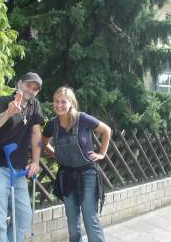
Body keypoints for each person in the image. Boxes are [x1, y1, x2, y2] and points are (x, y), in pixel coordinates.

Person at [0, 72, 44, 242]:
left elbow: (36, 133)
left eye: (35, 88)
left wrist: (36, 161)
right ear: (19, 84)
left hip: (18, 170)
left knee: (24, 216)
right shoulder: (3, 101)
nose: (31, 90)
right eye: (28, 85)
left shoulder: (34, 105)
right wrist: (8, 113)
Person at [42, 86, 111, 242]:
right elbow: (44, 143)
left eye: (63, 102)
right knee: (72, 223)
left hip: (88, 174)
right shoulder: (52, 124)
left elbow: (106, 130)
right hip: (66, 176)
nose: (59, 105)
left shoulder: (83, 119)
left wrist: (102, 153)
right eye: (56, 101)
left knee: (89, 218)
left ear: (71, 103)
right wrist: (56, 155)